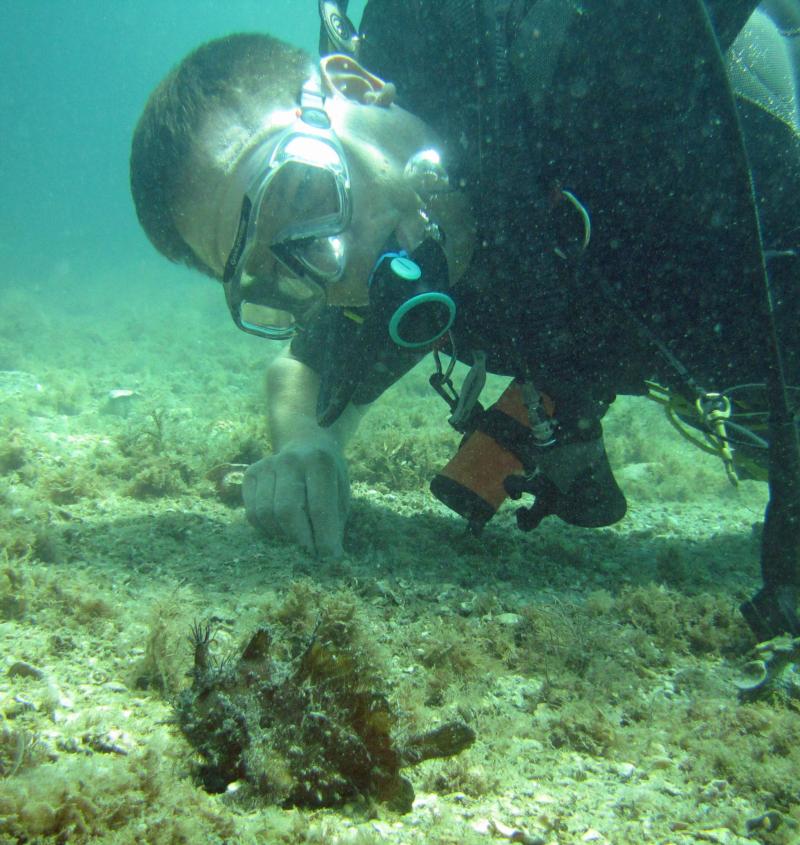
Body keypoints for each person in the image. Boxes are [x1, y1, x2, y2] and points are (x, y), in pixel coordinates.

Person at [130, 0, 800, 639]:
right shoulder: (391, 262)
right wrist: (308, 445)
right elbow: (299, 371)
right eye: (280, 276)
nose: (336, 263)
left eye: (304, 189)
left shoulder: (577, 50)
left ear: (357, 88)